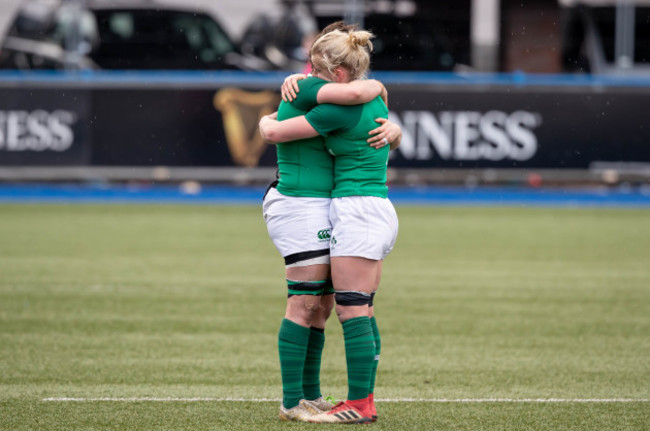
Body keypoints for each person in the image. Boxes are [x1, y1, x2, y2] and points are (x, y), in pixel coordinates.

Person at [260, 23, 401, 423]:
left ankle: (348, 403)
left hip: (354, 209)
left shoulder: (334, 100)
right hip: (317, 206)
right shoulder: (342, 92)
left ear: (337, 73)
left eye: (315, 67)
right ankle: (301, 399)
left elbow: (276, 129)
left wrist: (267, 125)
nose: (308, 72)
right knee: (317, 304)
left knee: (338, 307)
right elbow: (364, 93)